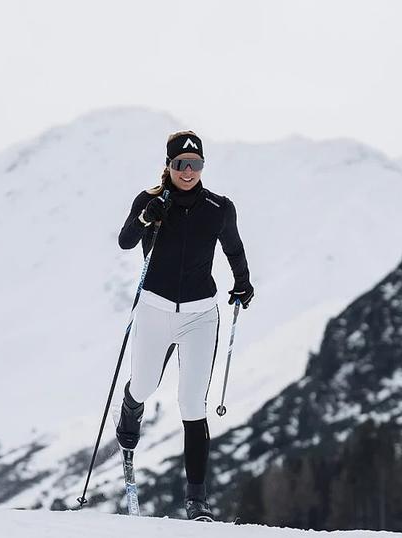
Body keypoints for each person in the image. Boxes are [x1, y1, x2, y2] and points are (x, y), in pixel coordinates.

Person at [114, 131, 253, 520]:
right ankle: (130, 408)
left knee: (192, 405)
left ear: (202, 166)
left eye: (195, 164)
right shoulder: (150, 201)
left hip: (200, 315)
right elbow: (126, 242)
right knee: (144, 385)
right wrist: (146, 218)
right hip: (155, 309)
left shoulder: (218, 207)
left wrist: (243, 283)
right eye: (181, 164)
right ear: (169, 166)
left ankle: (197, 499)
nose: (188, 171)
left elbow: (234, 247)